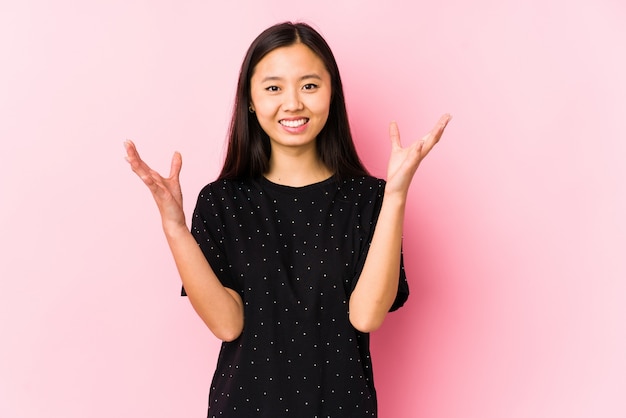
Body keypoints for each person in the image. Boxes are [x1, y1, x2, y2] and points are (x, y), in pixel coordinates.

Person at [125, 21, 450, 418]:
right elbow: (227, 325)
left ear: (332, 93)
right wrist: (175, 228)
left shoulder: (369, 198)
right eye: (273, 88)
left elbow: (366, 316)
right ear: (250, 99)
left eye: (309, 85)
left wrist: (396, 194)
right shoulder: (220, 202)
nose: (293, 103)